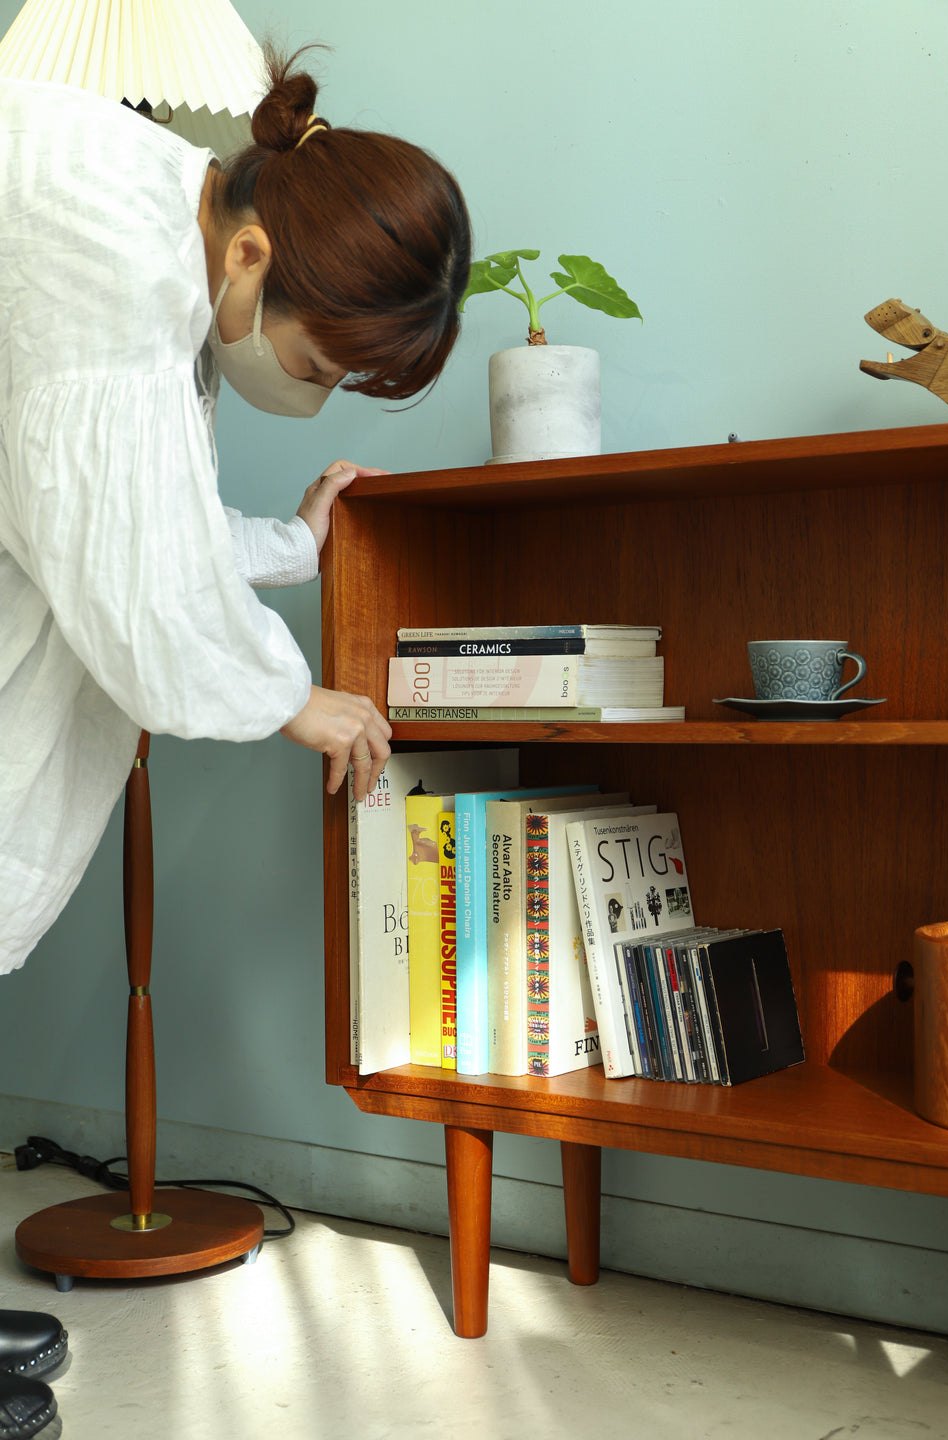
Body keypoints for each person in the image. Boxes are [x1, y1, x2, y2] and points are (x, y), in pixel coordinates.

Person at [0, 44, 471, 1435]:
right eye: (322, 363)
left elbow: (116, 499)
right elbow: (124, 560)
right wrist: (292, 699)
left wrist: (289, 542)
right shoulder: (111, 260)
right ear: (258, 249)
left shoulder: (162, 230)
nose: (307, 395)